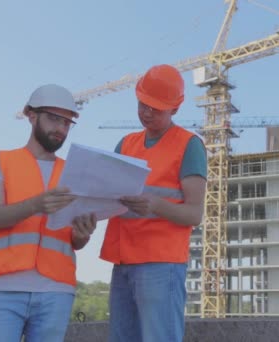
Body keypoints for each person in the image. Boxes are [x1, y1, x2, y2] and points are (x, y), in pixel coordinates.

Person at [0, 84, 97, 342]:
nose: (61, 129)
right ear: (31, 115)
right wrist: (36, 205)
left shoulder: (76, 172)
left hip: (58, 290)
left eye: (66, 123)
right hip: (4, 288)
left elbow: (74, 241)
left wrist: (83, 235)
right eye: (54, 119)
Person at [101, 64, 207, 342]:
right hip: (123, 261)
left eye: (155, 108)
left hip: (161, 265)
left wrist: (155, 206)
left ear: (176, 108)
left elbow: (195, 214)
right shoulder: (125, 144)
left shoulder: (189, 145)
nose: (146, 112)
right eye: (142, 104)